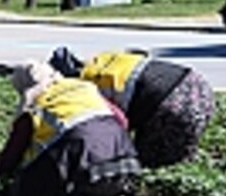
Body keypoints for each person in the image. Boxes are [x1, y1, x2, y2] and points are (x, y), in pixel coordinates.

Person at [0, 62, 142, 196]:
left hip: (84, 168)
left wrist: (0, 174)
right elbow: (122, 120)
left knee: (24, 194)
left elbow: (14, 151)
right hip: (124, 164)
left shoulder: (34, 105)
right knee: (91, 176)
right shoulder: (84, 87)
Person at [49, 47, 215, 168]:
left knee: (145, 164)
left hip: (172, 104)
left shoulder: (88, 89)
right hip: (199, 87)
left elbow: (117, 126)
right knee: (179, 154)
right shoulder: (103, 61)